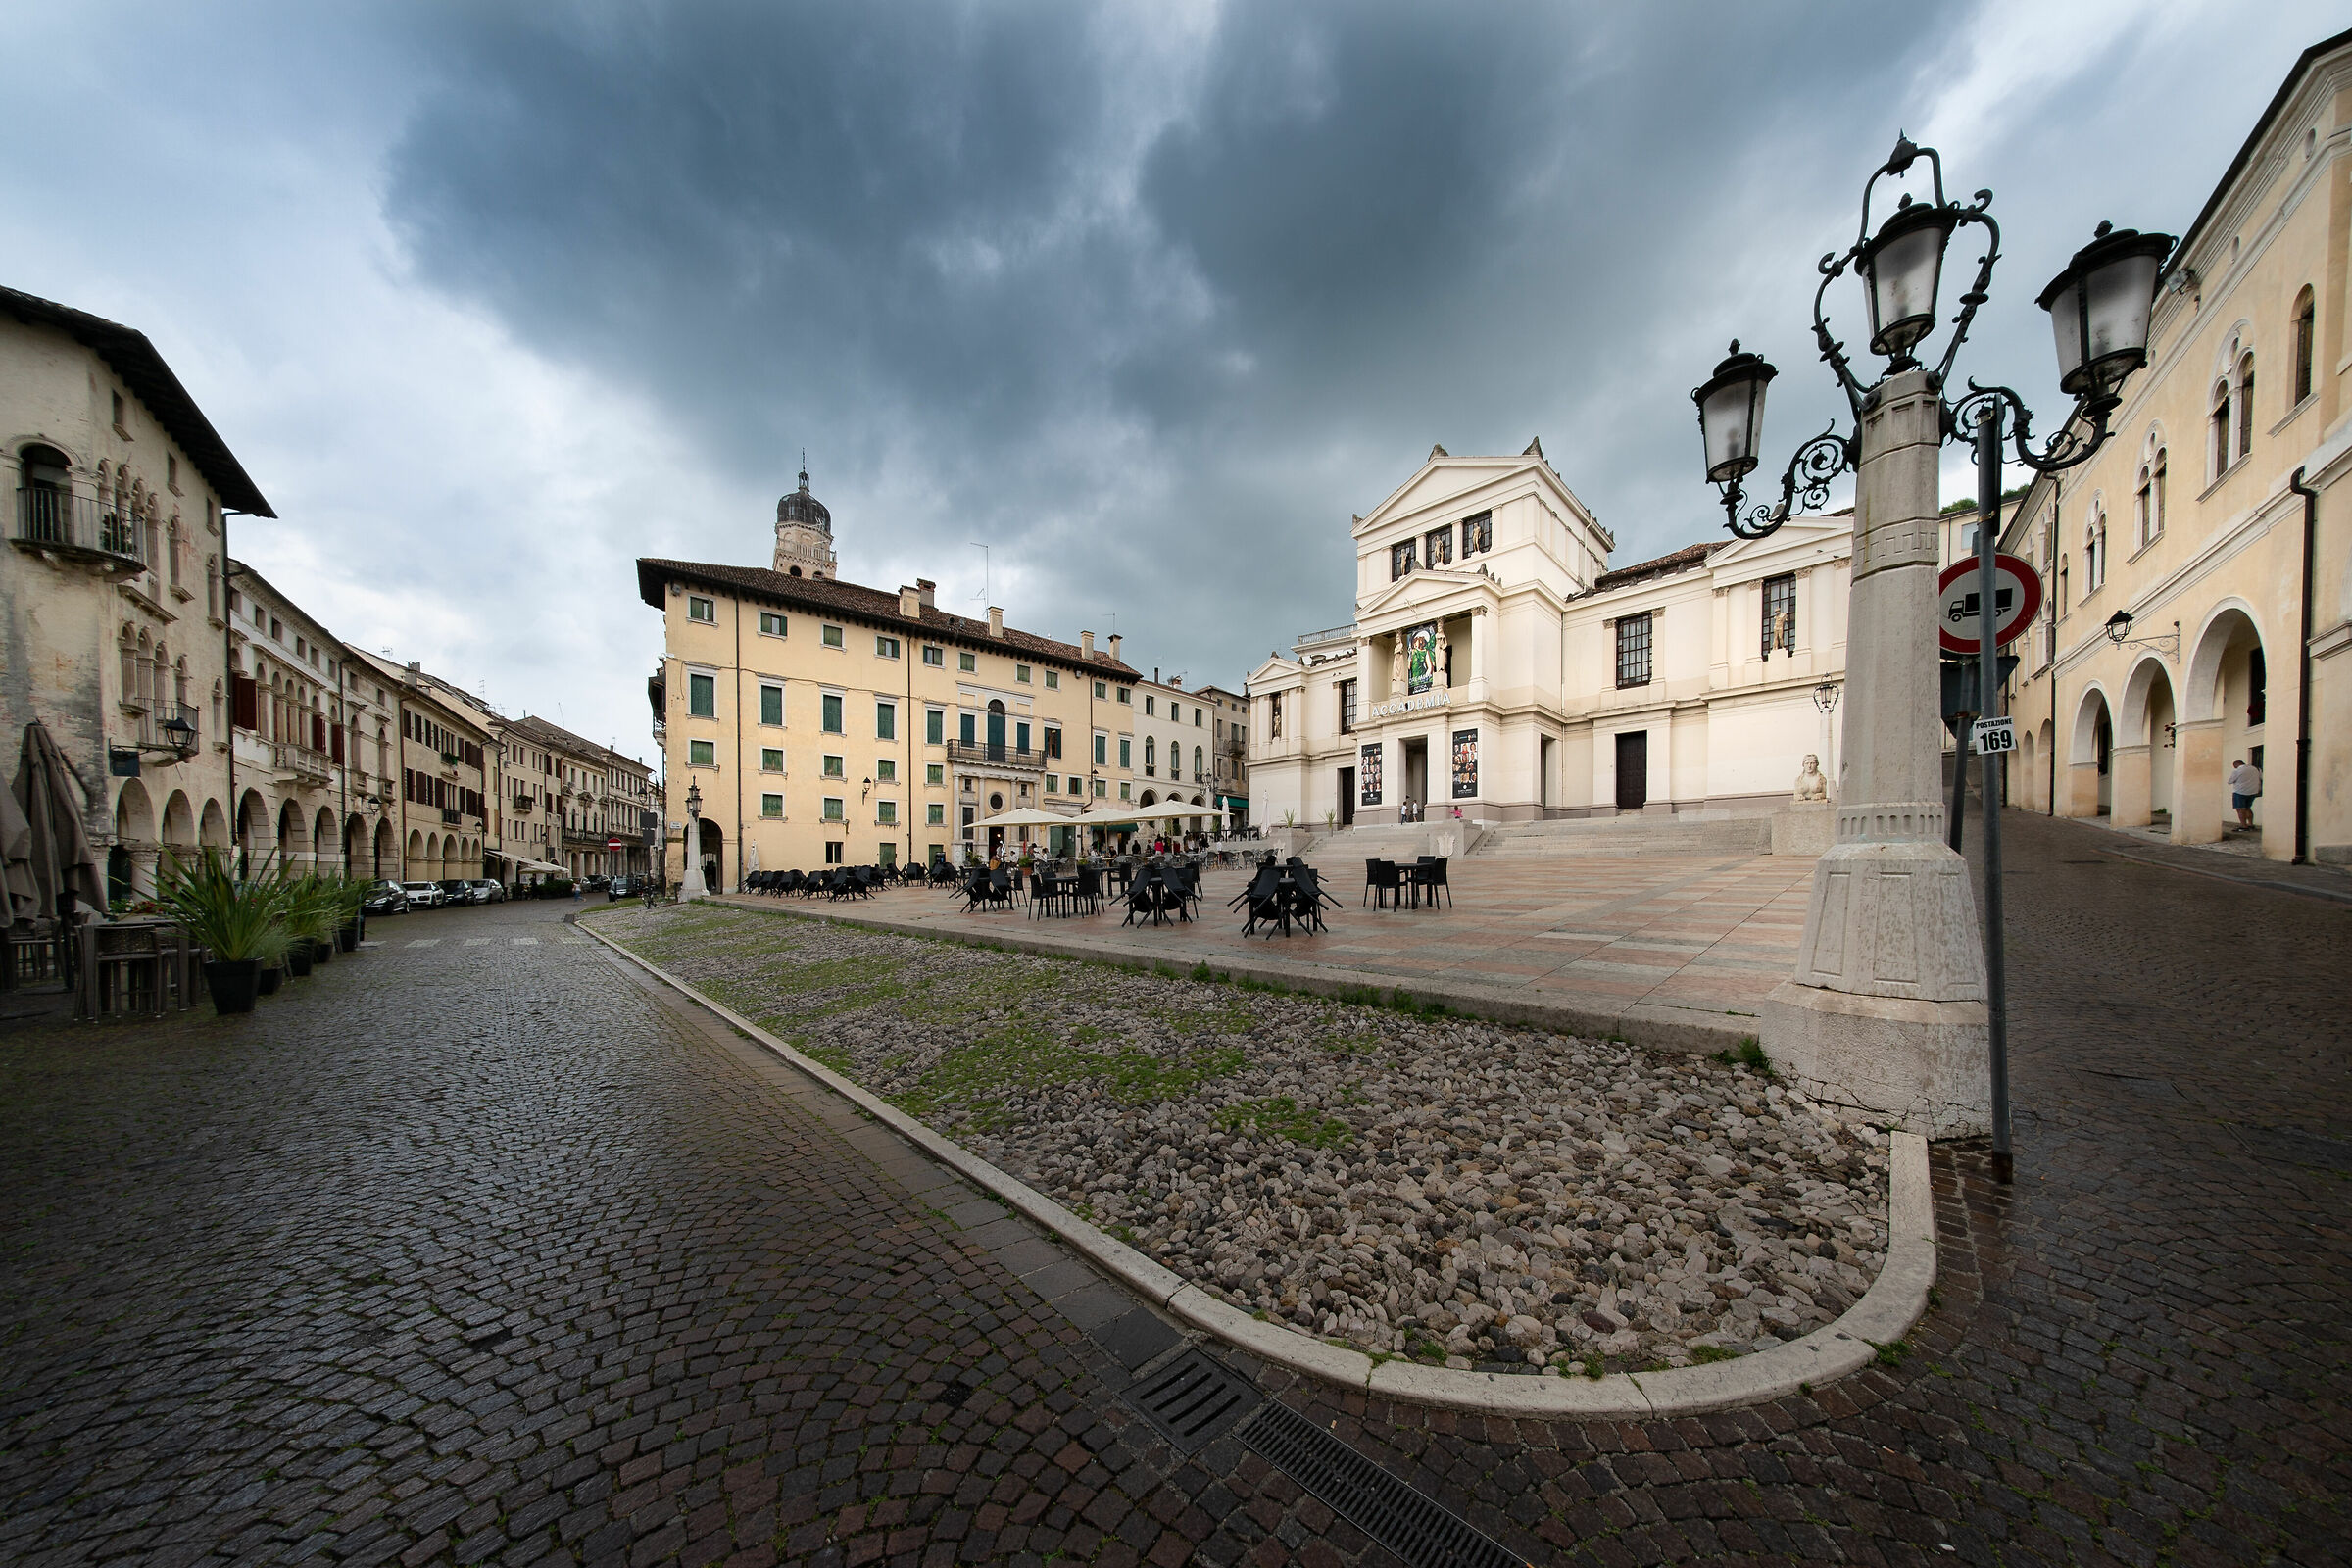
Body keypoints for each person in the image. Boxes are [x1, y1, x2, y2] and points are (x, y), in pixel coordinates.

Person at [2227, 758, 2262, 829]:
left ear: (2236, 765)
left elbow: (2230, 781)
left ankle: (2244, 826)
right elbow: (2261, 778)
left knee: (2240, 809)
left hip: (2240, 792)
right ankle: (2251, 824)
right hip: (2253, 791)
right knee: (2248, 808)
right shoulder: (2256, 769)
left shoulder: (2237, 771)